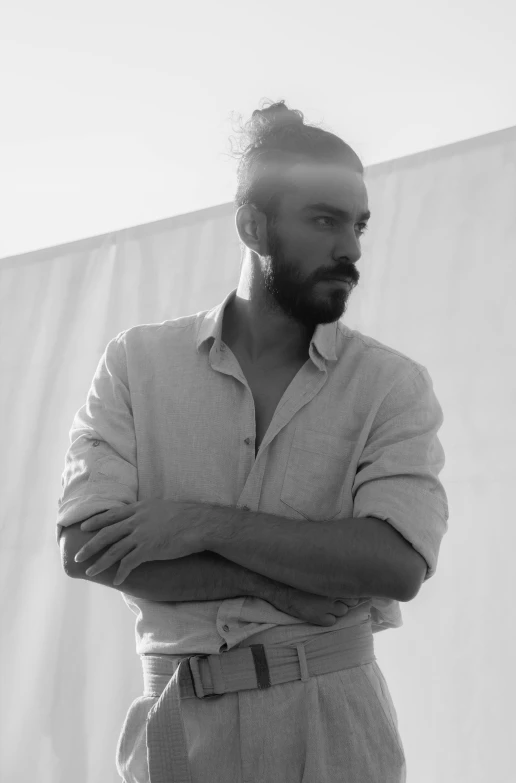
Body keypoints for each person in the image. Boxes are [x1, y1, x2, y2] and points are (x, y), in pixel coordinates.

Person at [57, 99, 449, 782]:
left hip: (334, 728)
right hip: (178, 728)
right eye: (324, 220)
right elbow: (88, 547)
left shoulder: (391, 384)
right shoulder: (136, 362)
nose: (350, 248)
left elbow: (396, 563)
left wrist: (198, 524)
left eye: (357, 225)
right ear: (252, 225)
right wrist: (274, 582)